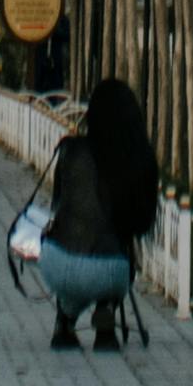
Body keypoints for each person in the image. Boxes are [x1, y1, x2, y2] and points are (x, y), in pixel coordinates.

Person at [36, 72, 162, 351]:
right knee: (111, 259)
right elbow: (140, 225)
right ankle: (105, 313)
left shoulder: (72, 151)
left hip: (56, 264)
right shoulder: (138, 160)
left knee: (74, 275)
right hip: (109, 270)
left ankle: (65, 322)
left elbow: (60, 205)